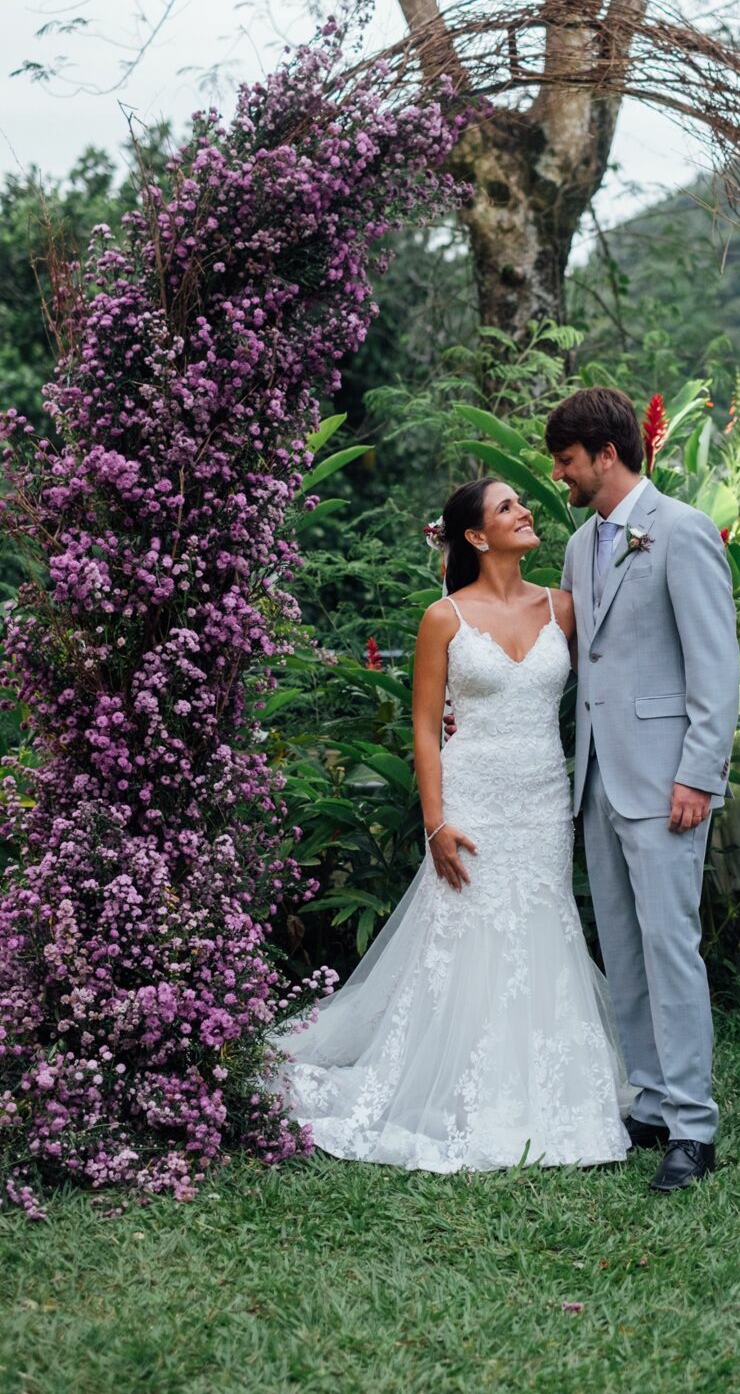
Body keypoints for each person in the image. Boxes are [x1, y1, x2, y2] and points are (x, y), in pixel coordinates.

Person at [271, 477, 630, 1172]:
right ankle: (451, 1085)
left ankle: (549, 1088)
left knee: (542, 922)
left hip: (541, 797)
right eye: (506, 507)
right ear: (475, 535)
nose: (524, 511)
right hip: (472, 799)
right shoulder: (444, 618)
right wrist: (435, 822)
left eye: (520, 503)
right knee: (467, 933)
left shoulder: (563, 607)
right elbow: (425, 726)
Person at [546, 387, 740, 1194]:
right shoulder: (576, 544)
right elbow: (575, 660)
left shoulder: (682, 531)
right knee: (623, 948)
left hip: (666, 783)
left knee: (668, 947)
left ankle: (693, 1127)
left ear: (606, 454)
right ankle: (652, 1103)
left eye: (566, 461)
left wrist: (697, 772)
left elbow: (714, 665)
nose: (559, 475)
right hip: (598, 775)